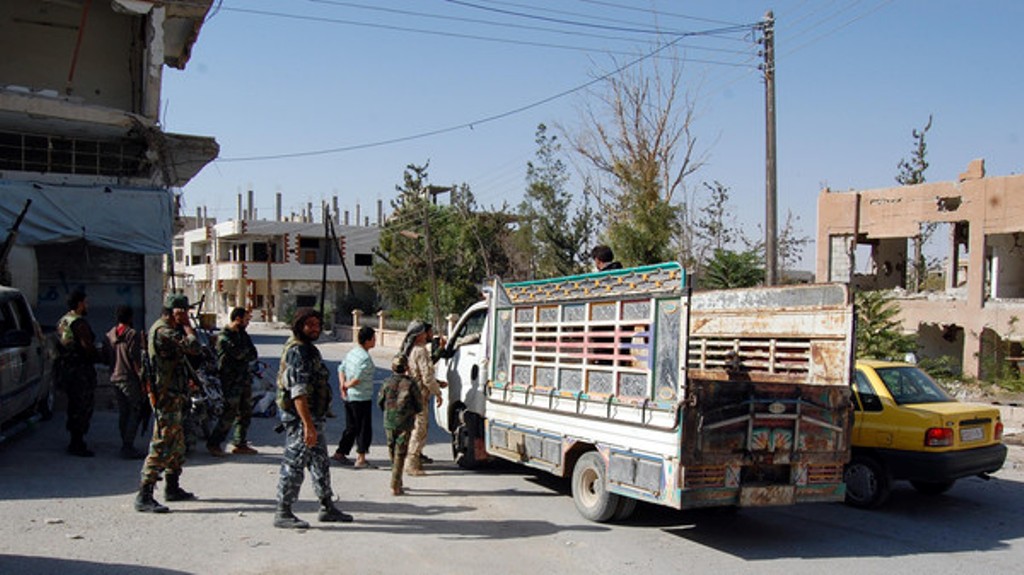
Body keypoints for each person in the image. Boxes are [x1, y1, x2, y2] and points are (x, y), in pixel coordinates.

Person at [273, 308, 352, 529]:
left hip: (312, 419)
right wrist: (307, 425)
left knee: (320, 463)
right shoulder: (298, 352)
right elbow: (298, 392)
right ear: (299, 326)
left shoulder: (309, 349)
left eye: (317, 324)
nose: (315, 329)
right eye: (310, 325)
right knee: (294, 464)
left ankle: (327, 506)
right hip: (301, 420)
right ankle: (283, 511)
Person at [134, 294, 201, 513]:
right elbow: (193, 347)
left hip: (175, 394)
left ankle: (172, 487)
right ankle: (144, 494)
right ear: (176, 312)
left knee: (177, 444)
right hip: (166, 396)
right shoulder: (164, 331)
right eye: (184, 312)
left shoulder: (166, 329)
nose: (187, 315)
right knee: (162, 442)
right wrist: (189, 328)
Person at [208, 307, 259, 456]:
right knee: (229, 413)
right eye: (246, 319)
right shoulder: (225, 336)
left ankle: (240, 443)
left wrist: (245, 353)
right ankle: (214, 443)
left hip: (243, 378)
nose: (248, 322)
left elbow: (252, 353)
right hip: (230, 380)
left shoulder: (242, 334)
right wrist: (245, 353)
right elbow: (239, 354)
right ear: (238, 318)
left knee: (245, 412)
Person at [56, 290, 100, 457]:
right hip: (80, 370)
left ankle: (75, 439)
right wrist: (100, 357)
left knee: (73, 404)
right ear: (80, 303)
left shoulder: (63, 321)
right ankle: (77, 442)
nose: (87, 306)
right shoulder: (79, 323)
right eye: (85, 303)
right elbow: (87, 347)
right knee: (82, 406)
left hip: (67, 369)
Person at [401, 320, 445, 476]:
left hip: (414, 394)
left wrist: (438, 383)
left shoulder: (412, 350)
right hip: (420, 396)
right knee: (419, 430)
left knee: (418, 428)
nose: (429, 334)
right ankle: (411, 463)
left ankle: (416, 459)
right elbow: (426, 376)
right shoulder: (420, 351)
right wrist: (438, 392)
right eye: (427, 332)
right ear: (420, 334)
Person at [104, 305, 148, 459]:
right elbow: (135, 358)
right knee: (135, 412)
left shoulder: (110, 334)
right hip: (129, 378)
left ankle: (125, 442)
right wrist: (142, 379)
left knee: (124, 413)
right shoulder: (132, 334)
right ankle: (128, 445)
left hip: (115, 377)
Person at [377, 354, 422, 495]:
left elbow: (380, 402)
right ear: (406, 368)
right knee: (400, 453)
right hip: (405, 422)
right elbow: (419, 404)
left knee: (392, 450)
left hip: (389, 422)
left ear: (392, 368)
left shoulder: (386, 382)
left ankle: (396, 480)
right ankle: (395, 485)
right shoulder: (411, 384)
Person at [332, 326, 377, 468]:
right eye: (373, 338)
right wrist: (347, 385)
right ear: (368, 340)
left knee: (351, 426)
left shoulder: (352, 353)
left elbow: (341, 368)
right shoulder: (365, 358)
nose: (375, 341)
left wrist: (342, 385)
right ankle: (361, 458)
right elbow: (357, 379)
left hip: (349, 397)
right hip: (361, 397)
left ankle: (340, 452)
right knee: (363, 428)